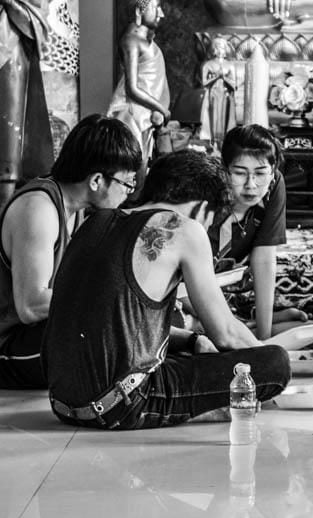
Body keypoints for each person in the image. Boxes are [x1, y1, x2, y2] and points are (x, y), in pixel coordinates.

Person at [43, 149, 291, 429]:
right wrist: (263, 353)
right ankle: (200, 409)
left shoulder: (95, 221)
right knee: (275, 364)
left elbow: (111, 324)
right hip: (123, 406)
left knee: (191, 350)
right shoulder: (184, 229)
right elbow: (226, 333)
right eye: (209, 222)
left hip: (64, 403)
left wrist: (191, 341)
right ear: (201, 208)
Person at [0, 114, 142, 388]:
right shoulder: (39, 210)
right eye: (127, 184)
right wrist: (113, 301)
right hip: (9, 344)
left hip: (31, 335)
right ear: (96, 180)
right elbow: (31, 305)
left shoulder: (75, 209)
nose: (128, 193)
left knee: (134, 323)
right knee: (108, 331)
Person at [207, 124, 313, 351]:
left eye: (260, 173)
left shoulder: (274, 186)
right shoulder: (207, 197)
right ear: (224, 170)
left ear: (273, 172)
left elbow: (264, 259)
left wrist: (263, 338)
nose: (251, 185)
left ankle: (253, 328)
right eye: (240, 173)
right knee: (200, 331)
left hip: (243, 294)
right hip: (205, 299)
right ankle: (247, 329)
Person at [0, 0, 52, 208]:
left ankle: (6, 204)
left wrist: (6, 0)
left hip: (11, 54)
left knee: (10, 129)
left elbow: (40, 18)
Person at [108, 0, 170, 164]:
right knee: (132, 163)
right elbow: (132, 88)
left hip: (148, 115)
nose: (161, 14)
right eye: (155, 8)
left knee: (145, 164)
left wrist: (160, 108)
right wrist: (161, 108)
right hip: (132, 114)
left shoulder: (149, 42)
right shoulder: (131, 40)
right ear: (138, 10)